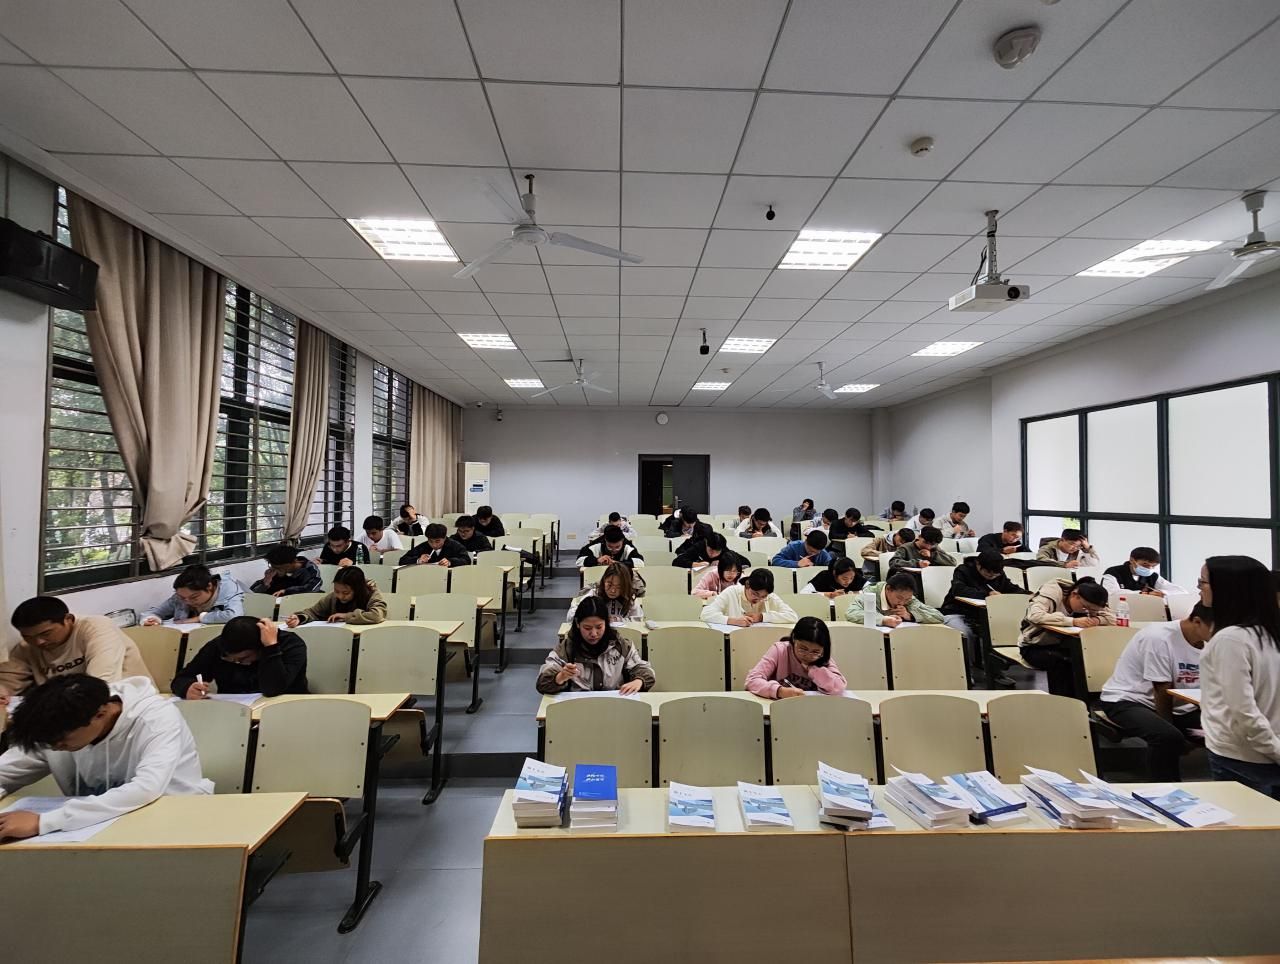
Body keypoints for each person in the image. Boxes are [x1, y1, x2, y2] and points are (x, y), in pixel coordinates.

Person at [0, 675, 213, 840]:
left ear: (100, 715)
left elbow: (146, 789)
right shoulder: (60, 723)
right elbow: (6, 770)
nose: (55, 748)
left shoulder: (156, 718)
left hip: (171, 817)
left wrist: (43, 822)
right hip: (93, 826)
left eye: (61, 741)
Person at [1099, 603, 1214, 781]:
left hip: (1180, 704)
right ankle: (1168, 789)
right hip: (1129, 700)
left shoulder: (1211, 643)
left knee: (1227, 731)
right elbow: (1161, 690)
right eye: (1217, 629)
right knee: (1168, 737)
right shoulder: (1158, 637)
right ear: (1197, 621)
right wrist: (1175, 733)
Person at [1199, 555, 1280, 798]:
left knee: (1251, 820)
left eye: (1203, 582)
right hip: (1264, 749)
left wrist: (1274, 749)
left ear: (1228, 589)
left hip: (1244, 756)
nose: (1199, 588)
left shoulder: (1231, 639)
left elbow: (1243, 711)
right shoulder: (1267, 632)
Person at [1, 597, 148, 701]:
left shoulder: (96, 628)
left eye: (46, 634)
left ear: (68, 620)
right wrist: (3, 691)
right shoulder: (27, 647)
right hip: (68, 709)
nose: (38, 642)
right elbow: (9, 680)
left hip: (126, 702)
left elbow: (101, 683)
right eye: (27, 636)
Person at [536, 597, 655, 695]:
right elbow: (542, 683)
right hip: (579, 707)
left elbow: (645, 670)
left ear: (606, 623)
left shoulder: (621, 645)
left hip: (615, 705)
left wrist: (639, 681)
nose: (593, 634)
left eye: (599, 627)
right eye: (587, 628)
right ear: (577, 623)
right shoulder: (566, 649)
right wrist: (560, 677)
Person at [1018, 577, 1115, 697]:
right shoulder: (1051, 592)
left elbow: (1112, 618)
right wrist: (1072, 621)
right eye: (1085, 607)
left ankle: (1088, 700)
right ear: (1074, 595)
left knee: (1090, 660)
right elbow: (1034, 616)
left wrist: (1096, 620)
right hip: (1036, 645)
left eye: (1093, 610)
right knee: (1063, 662)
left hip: (1067, 645)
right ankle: (1064, 701)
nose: (1088, 611)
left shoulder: (1094, 598)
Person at [172, 616, 309, 699]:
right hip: (233, 711)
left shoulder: (291, 644)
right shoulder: (219, 646)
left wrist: (270, 648)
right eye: (231, 660)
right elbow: (181, 679)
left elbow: (273, 689)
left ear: (259, 647)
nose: (238, 663)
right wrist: (187, 688)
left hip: (285, 706)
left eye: (243, 659)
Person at [941, 550, 1028, 678]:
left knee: (1003, 629)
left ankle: (995, 668)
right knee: (965, 634)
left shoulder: (998, 573)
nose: (991, 575)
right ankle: (965, 673)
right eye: (988, 572)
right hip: (957, 611)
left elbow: (1011, 588)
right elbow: (959, 590)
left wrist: (1028, 595)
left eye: (995, 573)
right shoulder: (963, 570)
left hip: (985, 615)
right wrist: (987, 594)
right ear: (978, 564)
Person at [745, 617, 847, 699]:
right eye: (803, 649)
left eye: (815, 651)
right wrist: (779, 691)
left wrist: (813, 669)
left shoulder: (823, 658)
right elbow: (752, 680)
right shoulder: (780, 650)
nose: (808, 656)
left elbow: (839, 687)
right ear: (793, 638)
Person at [139, 565, 245, 626]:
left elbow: (234, 616)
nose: (187, 602)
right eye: (182, 598)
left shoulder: (229, 589)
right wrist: (152, 620)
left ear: (209, 586)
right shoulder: (181, 595)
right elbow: (152, 613)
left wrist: (199, 618)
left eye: (194, 597)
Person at [284, 567, 387, 627]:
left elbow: (377, 615)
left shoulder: (371, 593)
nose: (340, 596)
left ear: (358, 589)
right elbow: (313, 612)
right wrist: (299, 618)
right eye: (337, 591)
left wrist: (346, 616)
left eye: (346, 593)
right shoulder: (332, 598)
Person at [701, 569, 798, 627]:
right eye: (755, 594)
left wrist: (762, 617)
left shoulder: (770, 597)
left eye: (763, 596)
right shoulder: (732, 592)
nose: (759, 599)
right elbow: (705, 614)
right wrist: (734, 621)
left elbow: (793, 616)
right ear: (747, 585)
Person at [845, 573, 944, 627]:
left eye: (907, 599)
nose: (902, 603)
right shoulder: (870, 593)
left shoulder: (908, 598)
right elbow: (851, 612)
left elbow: (938, 617)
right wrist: (883, 620)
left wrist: (910, 615)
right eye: (899, 598)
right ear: (888, 589)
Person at [568, 562, 644, 623]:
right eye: (609, 584)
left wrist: (617, 620)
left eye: (619, 587)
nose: (613, 590)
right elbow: (571, 617)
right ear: (604, 581)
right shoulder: (593, 595)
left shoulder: (629, 598)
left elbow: (638, 620)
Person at [1101, 547, 1186, 597]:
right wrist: (1143, 594)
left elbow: (1181, 591)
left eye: (1153, 566)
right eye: (1145, 565)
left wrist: (1163, 593)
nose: (1149, 568)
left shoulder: (1152, 576)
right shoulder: (1113, 572)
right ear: (1132, 560)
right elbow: (1111, 594)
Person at [250, 545, 324, 597]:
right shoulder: (274, 571)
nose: (276, 571)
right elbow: (251, 593)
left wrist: (287, 591)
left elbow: (312, 589)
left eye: (279, 568)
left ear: (293, 562)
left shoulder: (309, 570)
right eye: (272, 567)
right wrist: (265, 584)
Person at [399, 523, 472, 567]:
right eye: (431, 541)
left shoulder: (455, 546)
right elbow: (402, 560)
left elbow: (466, 560)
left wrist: (450, 562)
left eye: (437, 541)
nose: (434, 545)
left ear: (444, 538)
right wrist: (418, 560)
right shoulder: (423, 546)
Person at [575, 524, 644, 570]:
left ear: (622, 541)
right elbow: (579, 561)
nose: (614, 550)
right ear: (605, 541)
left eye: (617, 547)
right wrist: (597, 560)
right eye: (610, 546)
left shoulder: (627, 546)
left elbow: (640, 562)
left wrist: (617, 563)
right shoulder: (596, 544)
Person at [889, 526, 956, 573]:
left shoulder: (935, 548)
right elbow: (893, 563)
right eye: (925, 542)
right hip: (911, 578)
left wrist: (932, 555)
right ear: (919, 537)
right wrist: (917, 564)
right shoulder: (906, 547)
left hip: (931, 578)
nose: (928, 546)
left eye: (932, 544)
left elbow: (953, 562)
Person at [1036, 528, 1101, 569]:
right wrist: (1065, 565)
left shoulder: (1078, 550)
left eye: (1079, 546)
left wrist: (1088, 548)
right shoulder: (1047, 548)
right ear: (1062, 540)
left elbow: (1094, 564)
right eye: (1072, 544)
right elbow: (1042, 561)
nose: (1075, 548)